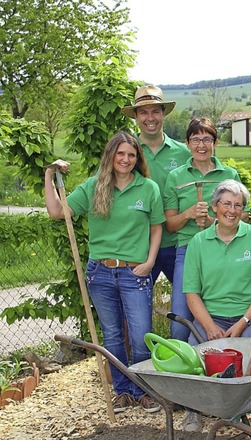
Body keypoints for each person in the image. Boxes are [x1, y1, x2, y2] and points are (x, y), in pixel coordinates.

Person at [44, 131, 164, 414]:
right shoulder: (94, 186)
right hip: (100, 272)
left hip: (135, 272)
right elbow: (57, 211)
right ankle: (122, 391)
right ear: (111, 155)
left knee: (141, 335)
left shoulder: (148, 188)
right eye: (120, 153)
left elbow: (157, 227)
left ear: (137, 159)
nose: (125, 159)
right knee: (111, 336)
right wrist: (49, 176)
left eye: (131, 155)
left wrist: (149, 262)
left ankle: (143, 391)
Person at [181, 179, 251, 432]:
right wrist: (209, 326)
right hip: (212, 316)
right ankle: (194, 410)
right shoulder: (198, 243)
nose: (232, 210)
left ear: (244, 209)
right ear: (214, 207)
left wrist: (243, 322)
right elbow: (192, 294)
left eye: (238, 205)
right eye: (226, 204)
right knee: (193, 357)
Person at [163, 117, 245, 342]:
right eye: (195, 139)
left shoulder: (229, 175)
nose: (201, 145)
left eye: (207, 139)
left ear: (215, 142)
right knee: (180, 318)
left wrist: (213, 223)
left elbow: (243, 216)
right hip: (188, 250)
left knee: (220, 309)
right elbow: (170, 225)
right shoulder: (176, 177)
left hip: (224, 248)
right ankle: (183, 368)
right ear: (187, 144)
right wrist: (188, 214)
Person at [122, 84, 191, 286]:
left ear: (163, 114)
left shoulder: (184, 153)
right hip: (138, 246)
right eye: (143, 112)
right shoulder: (125, 152)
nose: (149, 118)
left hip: (177, 243)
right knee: (133, 310)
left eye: (155, 111)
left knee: (187, 304)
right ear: (135, 116)